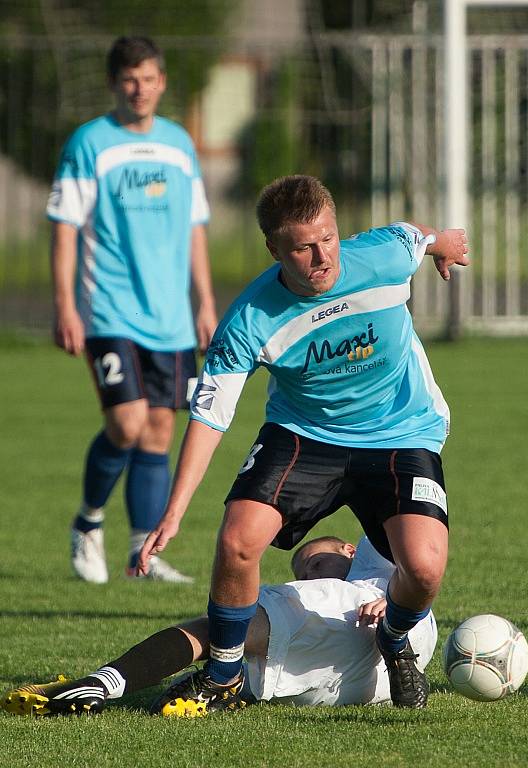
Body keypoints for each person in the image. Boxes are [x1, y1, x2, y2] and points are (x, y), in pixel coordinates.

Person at [135, 174, 469, 709]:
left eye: (329, 238)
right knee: (237, 540)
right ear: (275, 249)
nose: (322, 257)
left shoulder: (384, 255)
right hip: (306, 436)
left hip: (401, 431)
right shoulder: (249, 319)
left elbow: (423, 237)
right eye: (304, 247)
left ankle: (396, 636)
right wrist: (174, 513)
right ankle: (223, 675)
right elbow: (210, 414)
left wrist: (447, 245)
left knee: (425, 570)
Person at [47, 36, 217, 584]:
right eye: (128, 79)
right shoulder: (89, 143)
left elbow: (195, 230)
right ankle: (88, 523)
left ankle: (143, 554)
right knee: (126, 422)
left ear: (162, 81)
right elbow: (65, 230)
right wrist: (65, 305)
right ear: (113, 83)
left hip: (169, 317)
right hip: (109, 310)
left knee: (160, 430)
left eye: (147, 78)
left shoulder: (179, 145)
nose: (138, 88)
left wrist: (205, 305)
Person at [1, 535, 437, 716]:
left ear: (344, 548)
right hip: (349, 686)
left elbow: (414, 568)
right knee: (244, 672)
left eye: (315, 562)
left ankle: (101, 683)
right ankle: (215, 688)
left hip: (358, 613)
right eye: (304, 572)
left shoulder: (367, 557)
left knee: (225, 631)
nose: (309, 575)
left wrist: (389, 601)